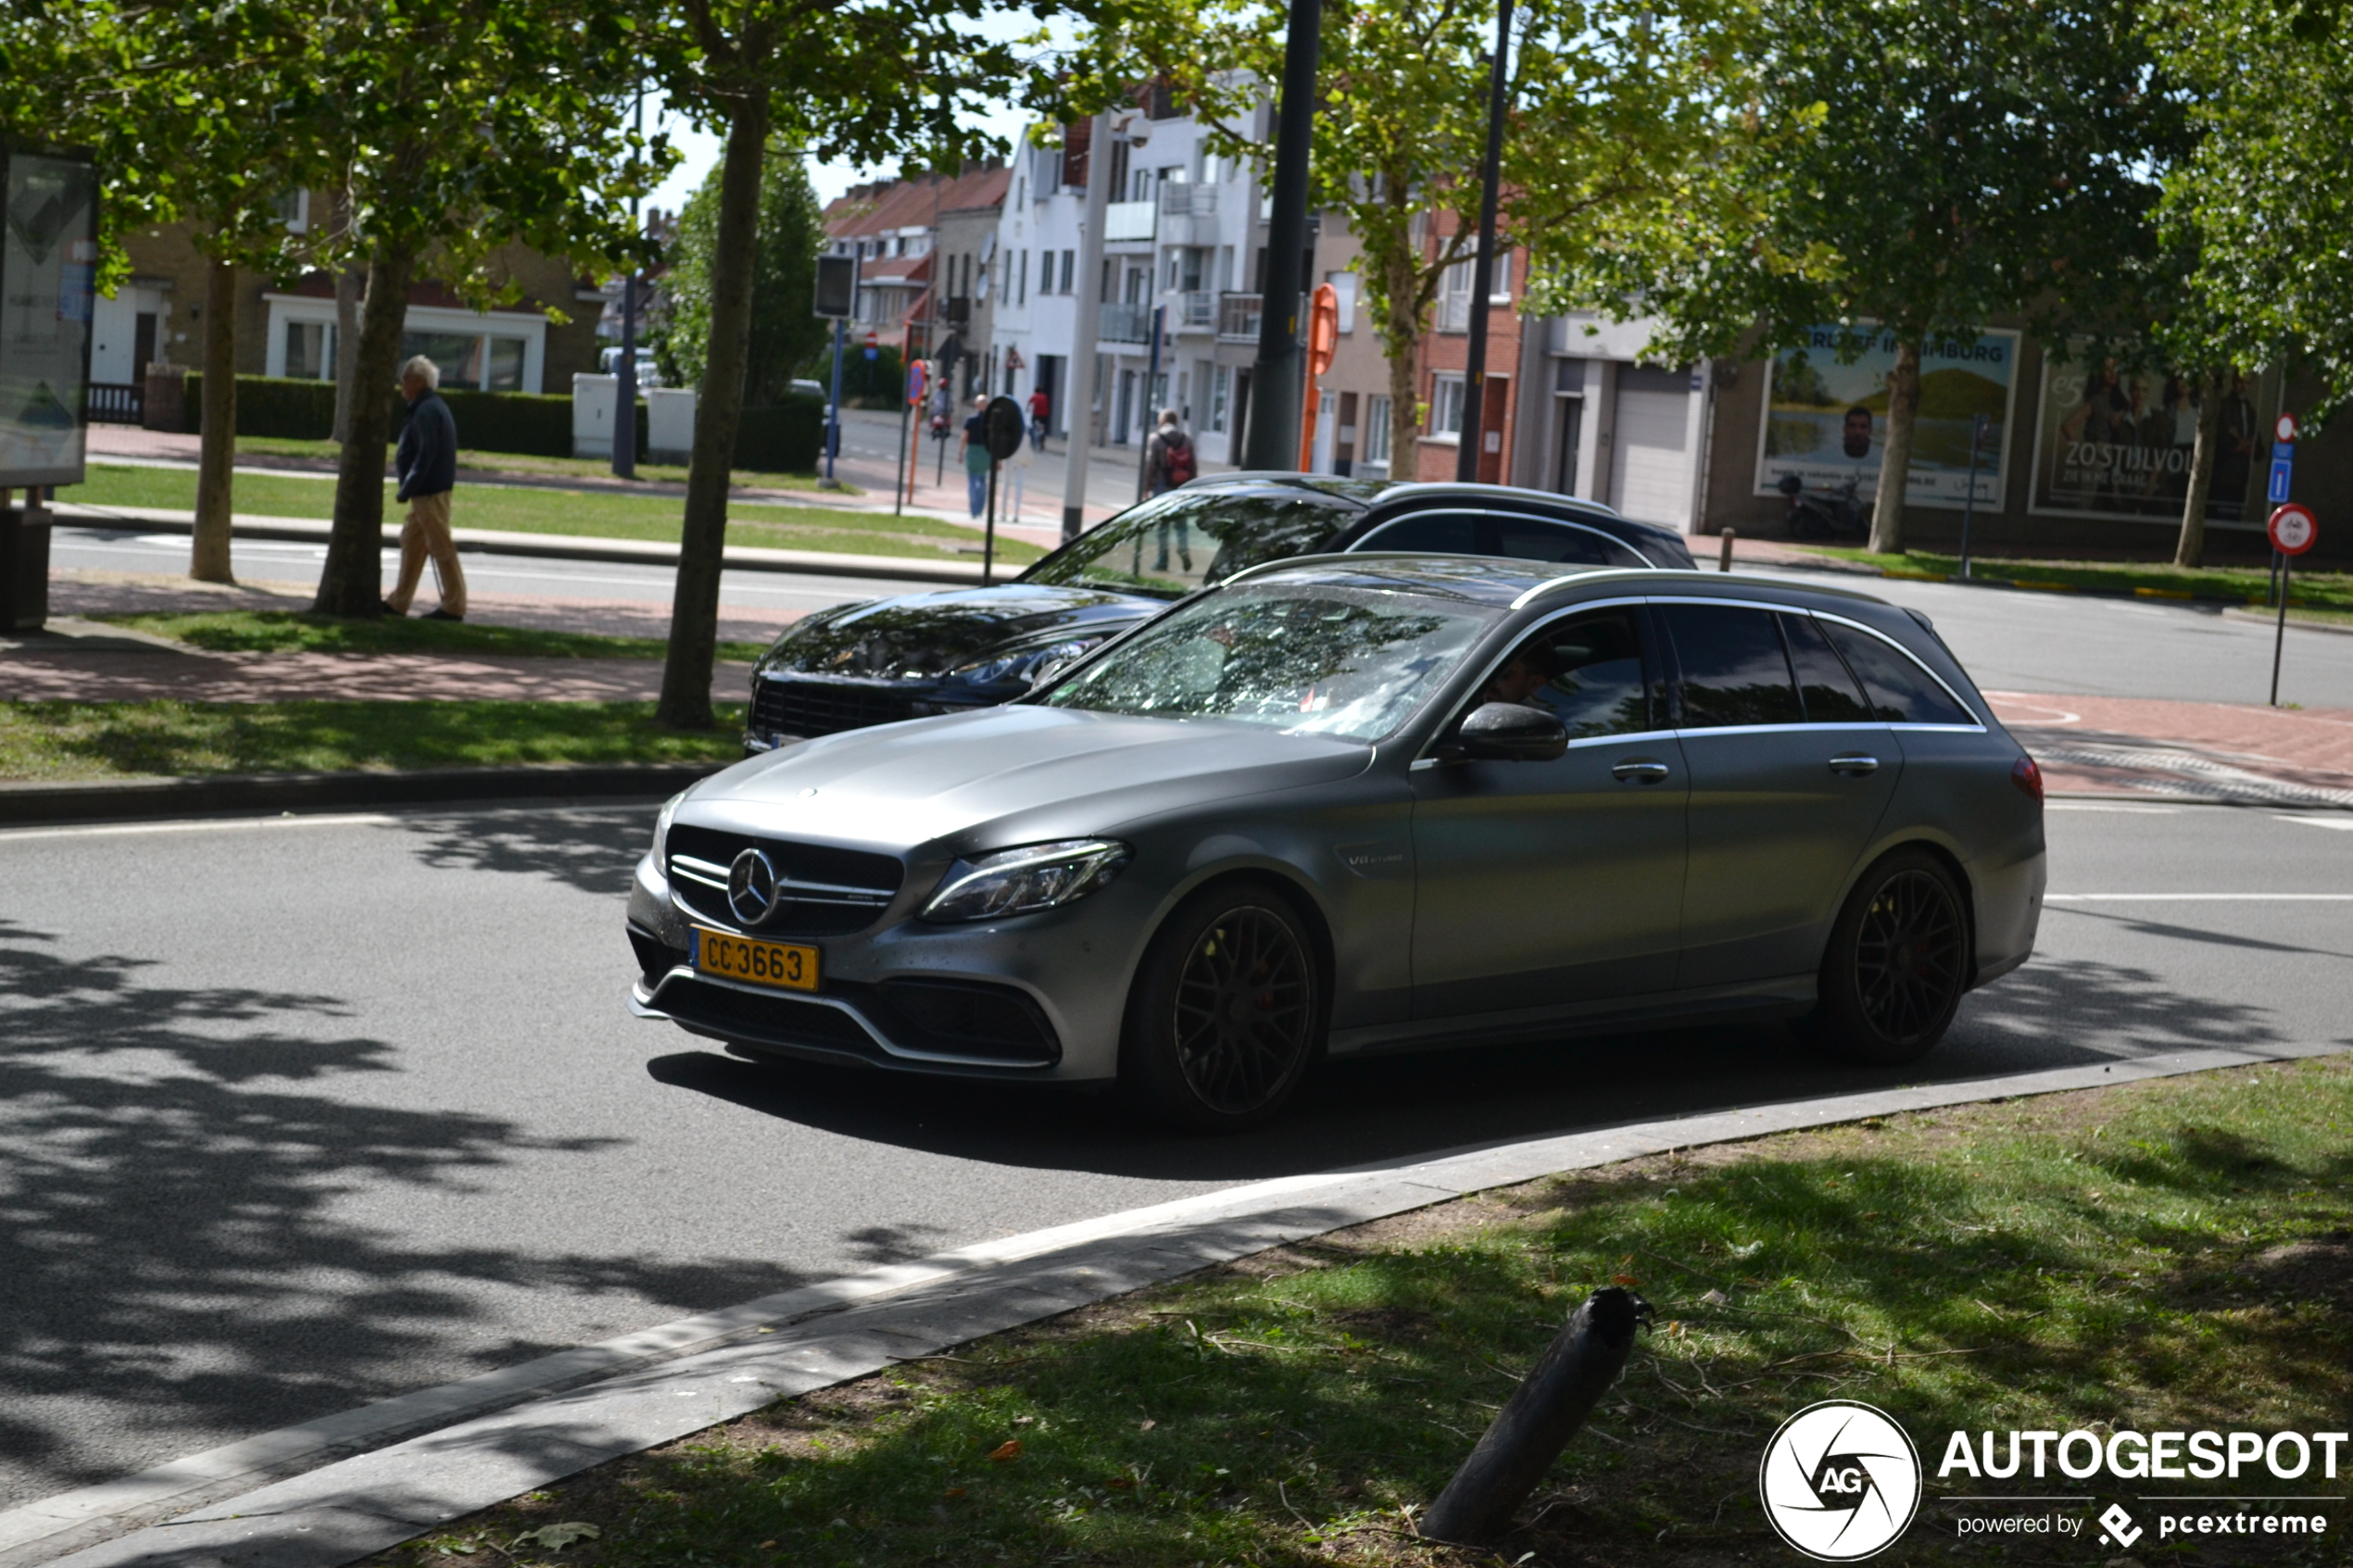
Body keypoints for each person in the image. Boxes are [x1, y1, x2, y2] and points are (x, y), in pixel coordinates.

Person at [383, 355, 465, 621]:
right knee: (412, 541)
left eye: (404, 380)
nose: (401, 386)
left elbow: (425, 454)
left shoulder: (427, 410)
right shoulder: (428, 407)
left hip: (428, 491)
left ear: (418, 381)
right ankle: (399, 601)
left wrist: (407, 487)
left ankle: (454, 605)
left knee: (440, 545)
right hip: (426, 490)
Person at [959, 394, 990, 519]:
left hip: (972, 451)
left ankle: (973, 508)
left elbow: (964, 437)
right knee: (982, 481)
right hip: (986, 452)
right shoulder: (990, 421)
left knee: (972, 481)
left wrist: (960, 452)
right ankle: (979, 508)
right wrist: (997, 460)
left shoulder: (970, 420)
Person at [1027, 384, 1051, 451]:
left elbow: (1029, 402)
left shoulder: (1034, 396)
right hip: (1044, 415)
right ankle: (1042, 442)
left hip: (1036, 415)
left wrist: (1027, 408)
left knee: (1033, 427)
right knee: (1042, 429)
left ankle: (1032, 441)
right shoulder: (1044, 396)